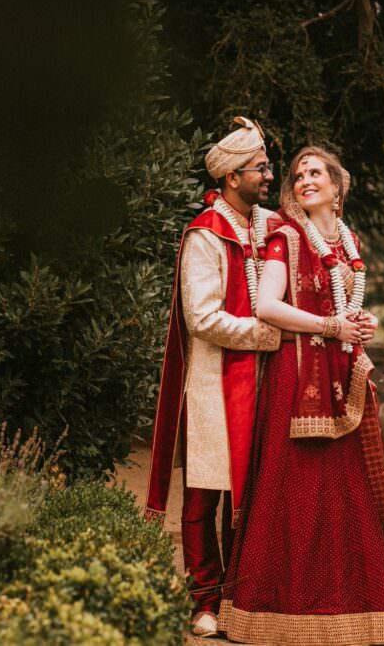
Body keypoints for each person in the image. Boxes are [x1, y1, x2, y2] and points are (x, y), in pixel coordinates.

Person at [218, 146, 384, 645]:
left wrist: (359, 322)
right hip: (295, 378)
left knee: (343, 489)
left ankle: (351, 608)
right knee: (294, 487)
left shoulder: (346, 241)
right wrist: (330, 325)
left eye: (316, 172)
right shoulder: (286, 236)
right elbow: (267, 307)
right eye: (299, 175)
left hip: (340, 376)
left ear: (337, 188)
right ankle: (278, 611)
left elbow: (342, 306)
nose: (305, 180)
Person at [144, 116, 281, 638]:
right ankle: (204, 599)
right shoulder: (205, 234)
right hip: (211, 384)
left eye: (267, 166)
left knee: (254, 495)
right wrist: (266, 335)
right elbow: (200, 317)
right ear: (232, 176)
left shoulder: (274, 227)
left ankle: (241, 599)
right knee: (204, 495)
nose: (269, 176)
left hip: (268, 383)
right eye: (260, 168)